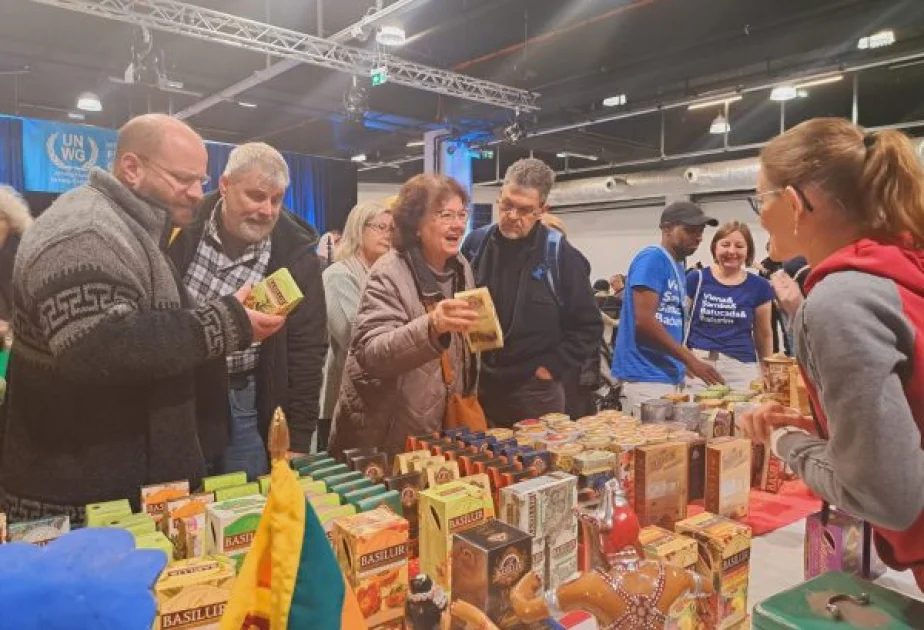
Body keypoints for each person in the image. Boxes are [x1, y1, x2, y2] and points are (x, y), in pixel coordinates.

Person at [0, 114, 284, 522]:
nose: (196, 193)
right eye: (183, 179)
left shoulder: (123, 224)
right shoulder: (85, 231)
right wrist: (225, 322)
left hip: (110, 487)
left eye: (200, 180)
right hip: (82, 499)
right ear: (132, 168)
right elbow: (96, 346)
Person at [739, 118, 924, 591]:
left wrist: (784, 442)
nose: (759, 216)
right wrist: (833, 436)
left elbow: (885, 498)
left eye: (762, 199)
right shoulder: (900, 272)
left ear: (797, 203)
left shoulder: (842, 300)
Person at [169, 142, 328, 479]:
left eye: (276, 199)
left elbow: (307, 350)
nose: (267, 211)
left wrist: (298, 437)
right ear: (225, 186)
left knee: (243, 509)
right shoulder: (178, 230)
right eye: (256, 196)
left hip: (245, 399)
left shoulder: (297, 258)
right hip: (176, 395)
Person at [328, 174, 478, 457]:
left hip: (443, 424)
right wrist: (431, 326)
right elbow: (372, 354)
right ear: (416, 225)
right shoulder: (389, 272)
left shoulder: (460, 267)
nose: (458, 224)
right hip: (389, 431)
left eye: (462, 214)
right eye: (445, 215)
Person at [464, 158, 601, 426]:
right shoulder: (475, 244)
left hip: (536, 391)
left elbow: (589, 326)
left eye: (525, 210)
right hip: (481, 384)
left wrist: (549, 369)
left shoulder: (561, 255)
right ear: (499, 196)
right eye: (507, 205)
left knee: (537, 465)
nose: (512, 216)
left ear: (542, 209)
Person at [613, 201, 724, 416]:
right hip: (646, 376)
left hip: (666, 374)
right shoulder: (652, 258)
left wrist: (684, 360)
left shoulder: (678, 265)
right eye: (690, 230)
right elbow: (644, 323)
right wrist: (689, 359)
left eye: (700, 232)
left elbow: (667, 320)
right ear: (666, 229)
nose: (699, 237)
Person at [317, 200, 394, 451]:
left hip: (373, 399)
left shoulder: (381, 274)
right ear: (358, 229)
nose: (388, 235)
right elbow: (354, 338)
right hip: (342, 399)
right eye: (380, 227)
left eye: (392, 229)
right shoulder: (339, 275)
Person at [684, 221, 773, 391]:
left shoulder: (760, 286)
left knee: (743, 416)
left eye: (739, 246)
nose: (731, 251)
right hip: (699, 366)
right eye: (725, 244)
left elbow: (764, 334)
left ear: (748, 252)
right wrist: (685, 359)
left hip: (741, 369)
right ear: (715, 249)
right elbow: (678, 324)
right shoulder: (696, 279)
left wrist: (766, 370)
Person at [0, 186, 32, 332]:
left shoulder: (23, 251)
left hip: (19, 330)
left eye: (0, 218)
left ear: (11, 222)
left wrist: (10, 323)